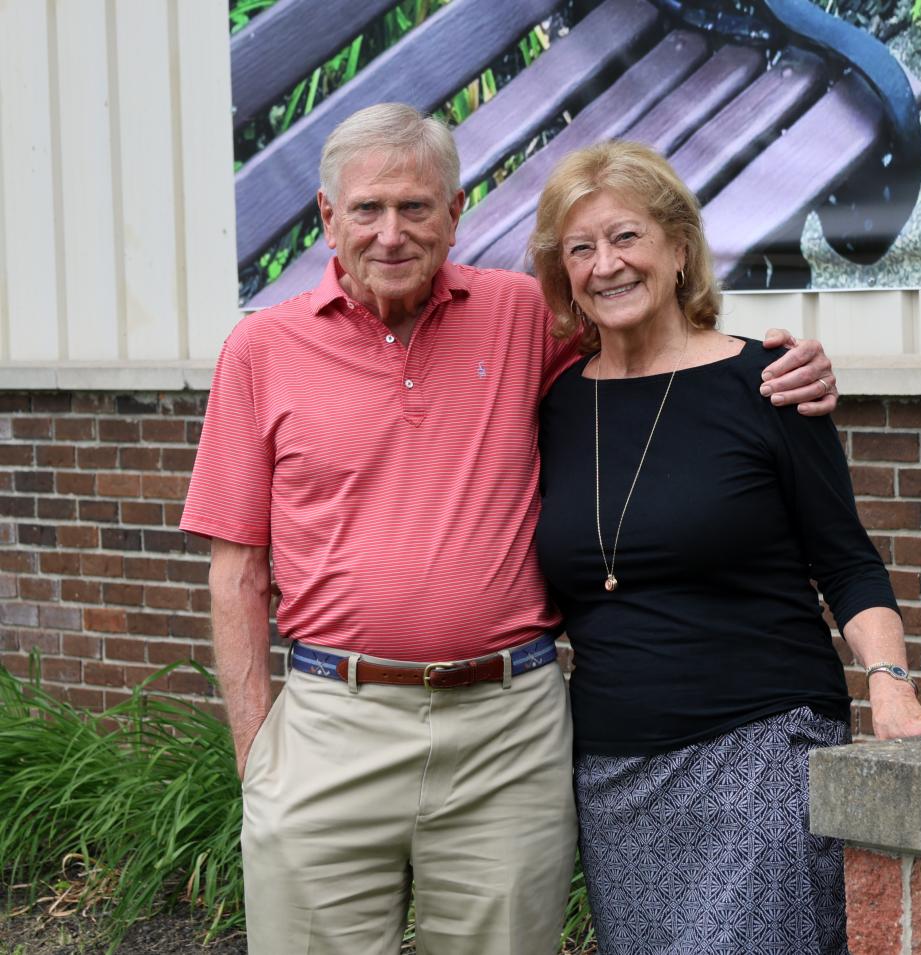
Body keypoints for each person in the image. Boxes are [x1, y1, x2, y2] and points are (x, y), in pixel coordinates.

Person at [180, 104, 838, 955]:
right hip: (330, 726)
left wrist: (770, 362)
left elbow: (650, 344)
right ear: (327, 217)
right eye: (368, 209)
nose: (391, 232)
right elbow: (236, 573)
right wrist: (255, 760)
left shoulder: (525, 317)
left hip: (507, 729)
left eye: (416, 207)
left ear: (456, 214)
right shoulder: (260, 350)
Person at [531, 140, 921, 955]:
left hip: (760, 753)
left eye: (627, 237)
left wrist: (891, 690)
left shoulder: (770, 382)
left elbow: (847, 560)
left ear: (679, 248)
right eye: (581, 248)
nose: (607, 265)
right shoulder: (557, 405)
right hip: (614, 775)